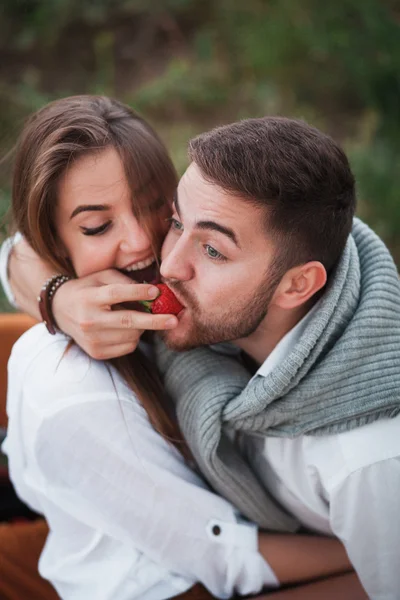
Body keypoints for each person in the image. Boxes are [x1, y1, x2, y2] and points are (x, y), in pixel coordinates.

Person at [0, 97, 353, 600]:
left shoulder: (193, 295)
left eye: (158, 208)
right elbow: (222, 554)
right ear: (54, 244)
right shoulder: (79, 396)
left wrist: (54, 296)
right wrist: (369, 545)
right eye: (98, 226)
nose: (144, 242)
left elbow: (15, 253)